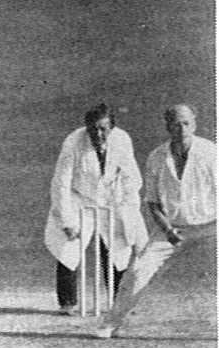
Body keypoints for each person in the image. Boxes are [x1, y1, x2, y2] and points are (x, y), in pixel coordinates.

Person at [97, 104, 216, 337]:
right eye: (175, 123)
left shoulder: (211, 152)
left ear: (194, 124)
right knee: (138, 271)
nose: (181, 129)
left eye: (186, 123)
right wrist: (168, 230)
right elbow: (152, 202)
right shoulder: (156, 157)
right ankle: (110, 323)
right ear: (167, 126)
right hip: (172, 229)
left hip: (212, 225)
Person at [45, 103, 146, 314]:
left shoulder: (122, 140)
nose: (98, 134)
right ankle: (67, 303)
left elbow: (132, 178)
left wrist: (128, 210)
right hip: (78, 198)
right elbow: (61, 183)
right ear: (86, 127)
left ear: (112, 128)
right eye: (93, 129)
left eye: (103, 129)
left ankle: (121, 301)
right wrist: (67, 221)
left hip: (110, 200)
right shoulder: (73, 141)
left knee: (118, 248)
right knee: (68, 248)